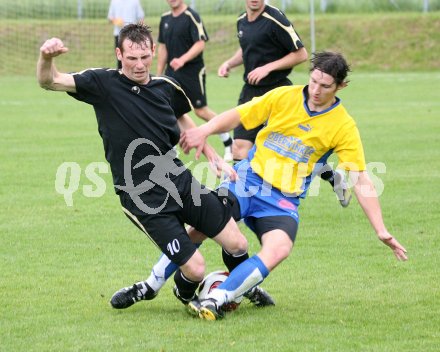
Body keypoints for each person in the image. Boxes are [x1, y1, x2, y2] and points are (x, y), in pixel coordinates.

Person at [36, 23, 253, 315]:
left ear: (153, 51)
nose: (139, 65)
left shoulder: (167, 87)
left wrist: (213, 155)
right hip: (142, 196)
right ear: (119, 54)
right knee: (197, 269)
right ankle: (184, 292)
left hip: (178, 178)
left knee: (238, 243)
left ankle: (245, 286)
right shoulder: (102, 83)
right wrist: (46, 57)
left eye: (144, 57)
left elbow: (184, 122)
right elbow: (50, 81)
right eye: (131, 58)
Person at [179, 51, 408, 320]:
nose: (316, 90)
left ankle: (217, 299)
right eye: (313, 82)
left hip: (282, 199)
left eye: (325, 86)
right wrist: (204, 131)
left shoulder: (343, 125)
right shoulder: (285, 96)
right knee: (201, 225)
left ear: (340, 86)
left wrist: (380, 229)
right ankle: (154, 282)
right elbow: (239, 114)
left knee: (280, 248)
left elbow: (360, 177)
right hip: (247, 179)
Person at [218, 0, 350, 206]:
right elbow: (247, 49)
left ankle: (333, 177)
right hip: (251, 91)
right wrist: (229, 63)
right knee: (239, 148)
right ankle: (238, 200)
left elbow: (301, 54)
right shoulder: (241, 21)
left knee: (290, 151)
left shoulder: (275, 19)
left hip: (279, 92)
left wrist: (267, 68)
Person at [157, 0, 233, 162]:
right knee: (169, 110)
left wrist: (182, 60)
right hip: (171, 74)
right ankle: (171, 148)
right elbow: (163, 49)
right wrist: (157, 76)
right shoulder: (164, 19)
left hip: (192, 72)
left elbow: (200, 43)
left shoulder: (192, 16)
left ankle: (228, 140)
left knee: (200, 110)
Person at [107, 0, 145, 69]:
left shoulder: (135, 1)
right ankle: (120, 77)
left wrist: (140, 32)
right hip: (119, 34)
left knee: (133, 57)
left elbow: (141, 17)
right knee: (120, 59)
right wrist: (116, 21)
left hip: (132, 34)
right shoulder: (114, 1)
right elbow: (110, 17)